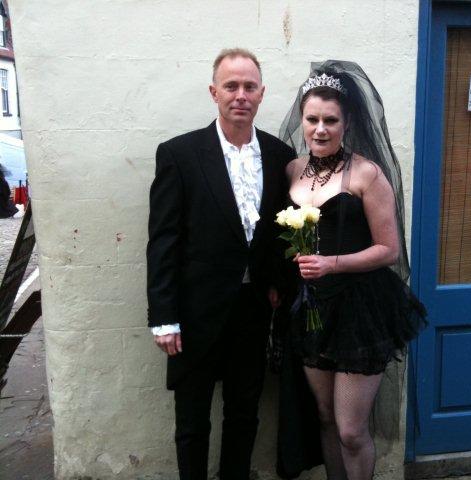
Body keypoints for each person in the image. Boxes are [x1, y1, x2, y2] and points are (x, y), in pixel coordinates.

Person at [146, 48, 295, 480]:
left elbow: (277, 234)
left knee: (244, 413)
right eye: (231, 86)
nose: (240, 95)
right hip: (194, 314)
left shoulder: (279, 154)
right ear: (214, 92)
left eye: (249, 87)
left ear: (262, 94)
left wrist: (276, 285)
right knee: (192, 422)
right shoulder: (180, 154)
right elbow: (163, 242)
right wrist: (164, 317)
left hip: (251, 314)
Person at [278, 61, 426, 479]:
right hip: (311, 310)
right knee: (324, 417)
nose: (320, 129)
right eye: (312, 119)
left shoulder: (367, 174)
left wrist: (332, 263)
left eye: (330, 120)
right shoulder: (292, 170)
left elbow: (389, 249)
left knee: (351, 430)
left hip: (359, 310)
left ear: (347, 123)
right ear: (302, 121)